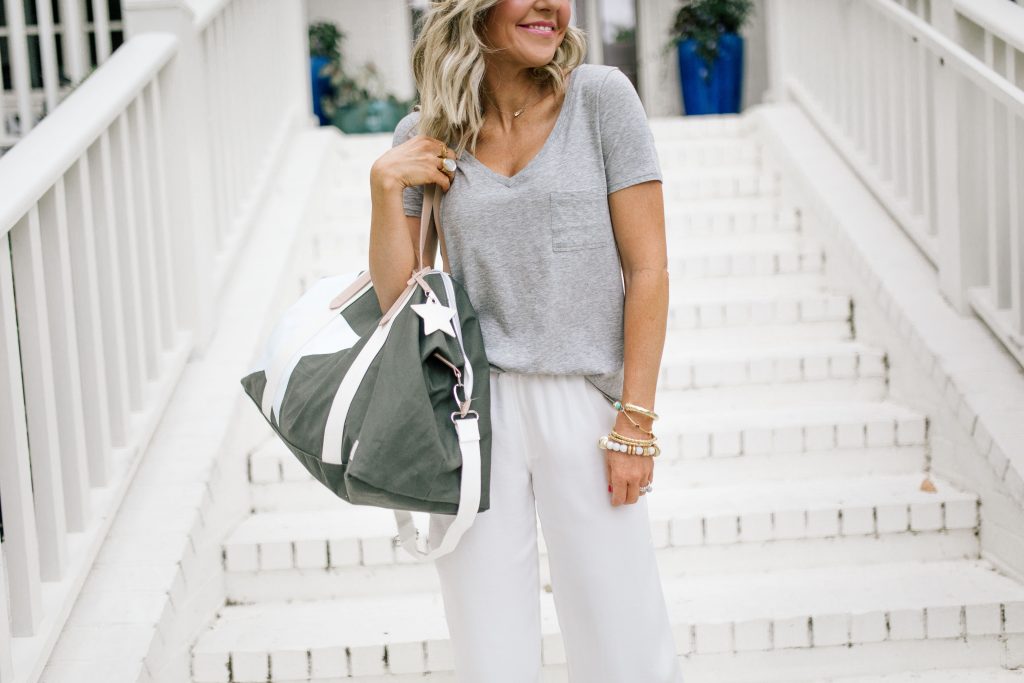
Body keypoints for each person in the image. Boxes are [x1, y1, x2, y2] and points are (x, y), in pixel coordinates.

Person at [367, 1, 683, 681]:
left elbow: (649, 269)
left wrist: (636, 421)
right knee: (490, 648)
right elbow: (398, 300)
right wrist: (384, 187)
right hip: (471, 414)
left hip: (586, 405)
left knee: (624, 640)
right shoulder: (427, 133)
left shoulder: (601, 101)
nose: (551, 5)